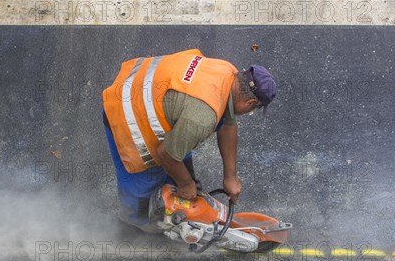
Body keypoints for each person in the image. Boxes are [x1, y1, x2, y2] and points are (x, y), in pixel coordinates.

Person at [102, 48, 276, 232]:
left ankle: (175, 203)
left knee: (184, 176)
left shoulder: (228, 73)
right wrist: (186, 184)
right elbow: (166, 154)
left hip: (147, 89)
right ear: (249, 104)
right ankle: (131, 233)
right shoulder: (202, 117)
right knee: (140, 202)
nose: (248, 113)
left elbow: (228, 124)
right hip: (125, 112)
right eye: (252, 110)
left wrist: (230, 177)